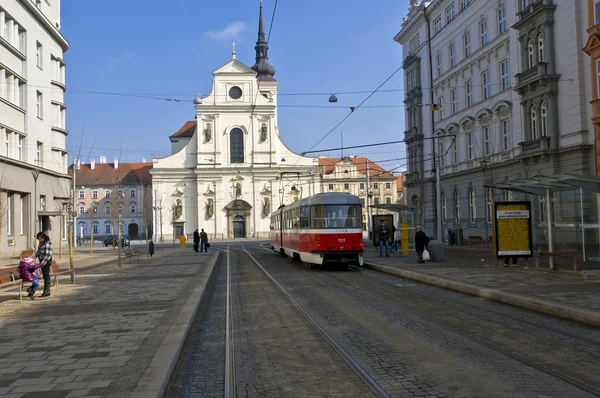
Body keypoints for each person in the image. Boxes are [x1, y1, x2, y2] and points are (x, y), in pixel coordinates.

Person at [35, 232, 53, 297]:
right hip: (42, 261)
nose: (39, 241)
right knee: (45, 276)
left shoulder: (47, 243)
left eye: (40, 239)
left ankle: (46, 291)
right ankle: (47, 291)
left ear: (43, 238)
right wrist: (35, 255)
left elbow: (48, 254)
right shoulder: (41, 243)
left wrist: (42, 263)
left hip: (46, 261)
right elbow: (39, 251)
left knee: (46, 276)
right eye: (38, 239)